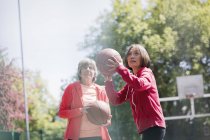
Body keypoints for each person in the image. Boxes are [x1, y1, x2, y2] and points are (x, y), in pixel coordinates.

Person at [104, 44, 166, 140]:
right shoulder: (131, 84)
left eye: (136, 53)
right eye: (129, 54)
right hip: (145, 127)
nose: (132, 56)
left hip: (155, 125)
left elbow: (139, 84)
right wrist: (108, 82)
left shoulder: (147, 73)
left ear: (143, 57)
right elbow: (115, 100)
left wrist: (121, 69)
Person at [58, 58, 112, 140]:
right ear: (80, 72)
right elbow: (62, 113)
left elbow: (108, 116)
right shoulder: (71, 88)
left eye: (91, 68)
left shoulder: (102, 90)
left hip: (98, 136)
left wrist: (107, 121)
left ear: (94, 73)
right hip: (77, 137)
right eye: (84, 67)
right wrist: (80, 111)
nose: (88, 69)